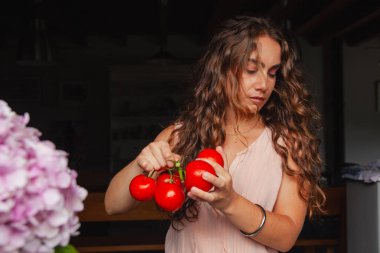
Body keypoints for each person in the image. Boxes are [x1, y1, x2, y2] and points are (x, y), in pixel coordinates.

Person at [104, 15, 325, 253]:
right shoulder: (179, 136)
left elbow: (286, 238)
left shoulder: (287, 144)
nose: (264, 84)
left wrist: (231, 202)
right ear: (222, 70)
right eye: (252, 69)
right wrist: (142, 163)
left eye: (272, 73)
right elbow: (112, 205)